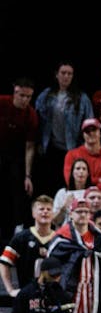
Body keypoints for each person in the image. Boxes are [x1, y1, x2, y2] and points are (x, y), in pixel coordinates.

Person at [33, 62, 95, 199]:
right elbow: (36, 120)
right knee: (49, 184)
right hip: (50, 147)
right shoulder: (46, 95)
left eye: (69, 74)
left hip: (72, 148)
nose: (66, 76)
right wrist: (38, 143)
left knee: (68, 183)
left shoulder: (81, 98)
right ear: (56, 75)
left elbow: (90, 123)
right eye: (63, 73)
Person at [0, 78, 39, 242]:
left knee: (17, 193)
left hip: (15, 156)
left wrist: (28, 176)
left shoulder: (31, 114)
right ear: (15, 92)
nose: (25, 100)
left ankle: (17, 231)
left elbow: (30, 147)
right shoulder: (2, 102)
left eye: (29, 97)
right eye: (22, 95)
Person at [62, 118, 101, 192]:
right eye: (87, 131)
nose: (91, 133)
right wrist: (98, 180)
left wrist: (88, 183)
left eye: (94, 130)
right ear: (83, 135)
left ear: (100, 133)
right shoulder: (72, 155)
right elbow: (70, 181)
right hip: (77, 195)